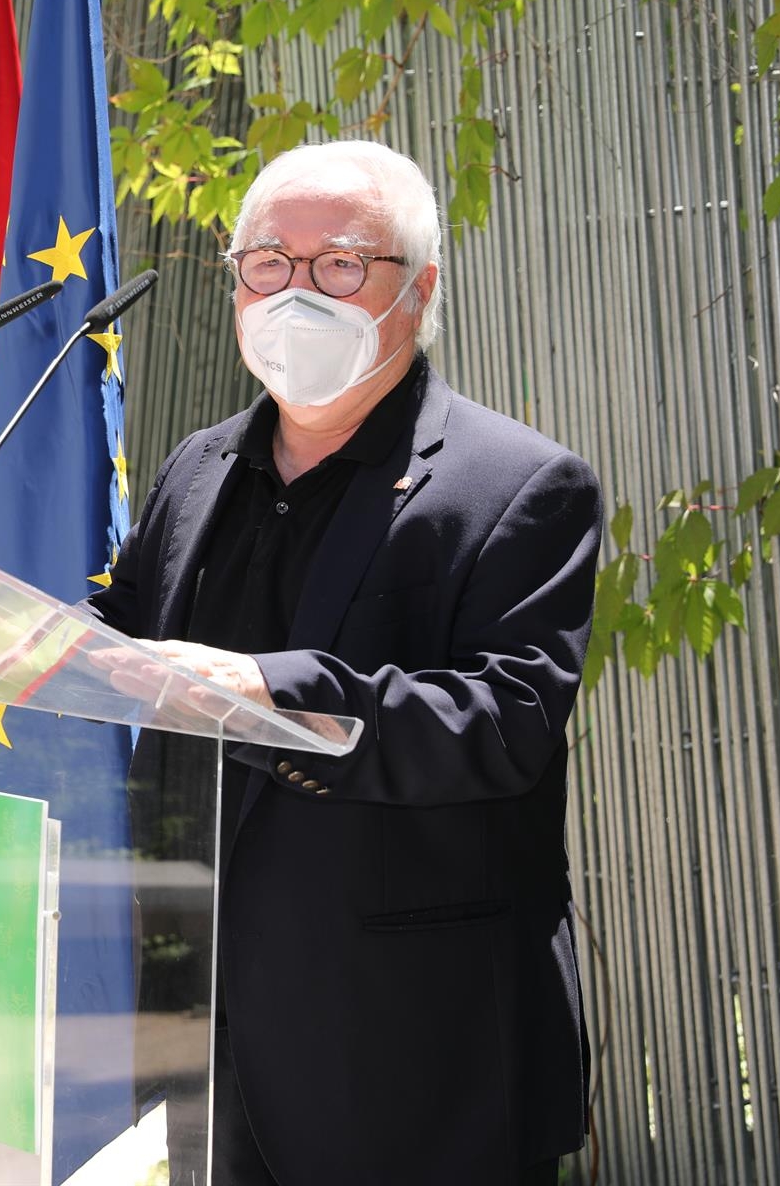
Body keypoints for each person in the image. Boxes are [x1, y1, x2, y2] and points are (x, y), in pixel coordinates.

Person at [86, 140, 600, 1185]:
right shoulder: (199, 467)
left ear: (420, 287)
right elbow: (117, 640)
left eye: (338, 263)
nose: (294, 291)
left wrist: (273, 690)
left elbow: (502, 724)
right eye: (267, 261)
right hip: (207, 1038)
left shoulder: (522, 485)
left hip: (411, 1058)